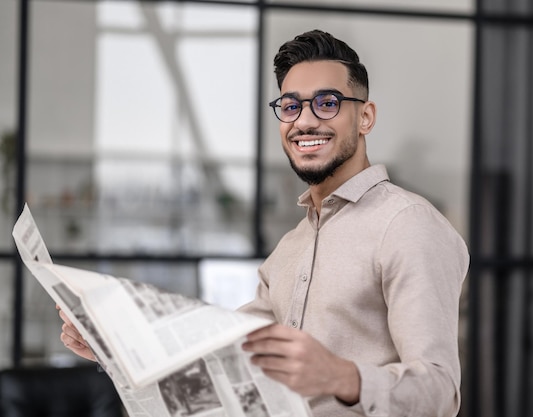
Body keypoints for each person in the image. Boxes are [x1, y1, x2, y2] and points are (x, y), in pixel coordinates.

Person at [60, 29, 470, 417]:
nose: (305, 121)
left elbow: (439, 391)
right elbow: (224, 355)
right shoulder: (291, 247)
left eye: (327, 103)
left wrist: (340, 376)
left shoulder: (408, 225)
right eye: (291, 106)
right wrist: (116, 344)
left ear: (365, 118)